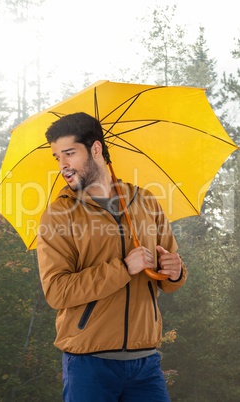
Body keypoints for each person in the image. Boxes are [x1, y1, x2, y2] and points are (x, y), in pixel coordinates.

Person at [37, 112, 187, 402]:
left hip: (146, 362)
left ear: (95, 149)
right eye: (57, 157)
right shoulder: (59, 214)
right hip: (89, 363)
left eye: (69, 153)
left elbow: (169, 279)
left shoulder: (145, 201)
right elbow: (56, 291)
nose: (62, 165)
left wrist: (175, 271)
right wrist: (122, 268)